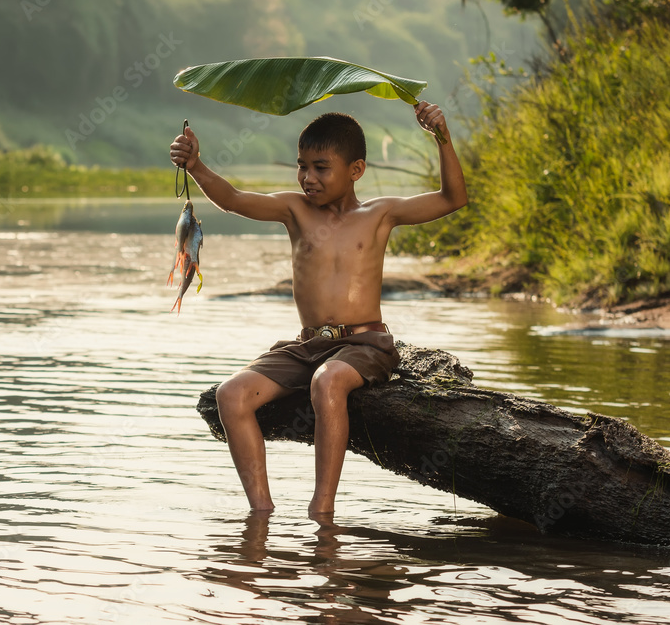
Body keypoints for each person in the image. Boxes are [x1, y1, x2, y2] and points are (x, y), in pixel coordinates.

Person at [169, 102, 467, 515]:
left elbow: (454, 197)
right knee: (230, 395)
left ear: (356, 170)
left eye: (321, 168)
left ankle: (322, 510)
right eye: (301, 166)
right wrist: (196, 165)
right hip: (307, 346)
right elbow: (234, 199)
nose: (308, 178)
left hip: (364, 344)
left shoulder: (379, 214)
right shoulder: (295, 210)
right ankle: (261, 513)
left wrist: (442, 138)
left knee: (327, 382)